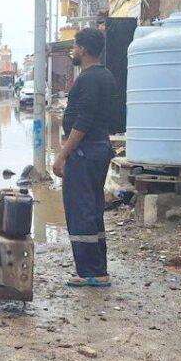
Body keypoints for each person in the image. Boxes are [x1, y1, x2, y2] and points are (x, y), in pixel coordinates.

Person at [53, 27, 117, 288]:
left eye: (76, 47)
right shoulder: (106, 76)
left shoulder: (89, 79)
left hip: (85, 152)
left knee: (81, 210)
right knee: (92, 208)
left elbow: (84, 120)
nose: (73, 51)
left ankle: (92, 272)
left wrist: (62, 154)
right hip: (98, 148)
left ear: (84, 49)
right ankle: (97, 268)